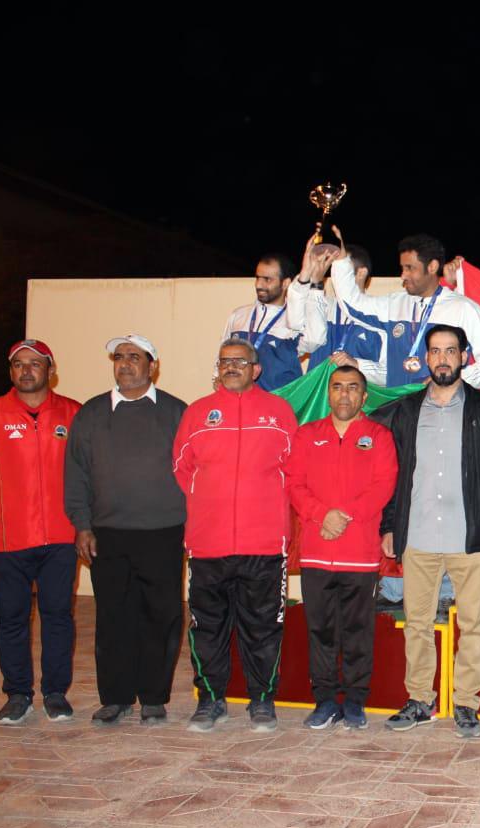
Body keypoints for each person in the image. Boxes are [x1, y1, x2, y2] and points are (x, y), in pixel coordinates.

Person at [372, 324, 480, 738]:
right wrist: (389, 525)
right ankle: (420, 699)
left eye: (451, 350)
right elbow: (394, 474)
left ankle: (467, 703)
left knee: (474, 623)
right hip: (417, 535)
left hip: (471, 537)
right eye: (435, 351)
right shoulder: (407, 410)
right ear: (426, 358)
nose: (442, 358)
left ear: (464, 357)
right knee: (416, 623)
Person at [172, 338, 298, 732]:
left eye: (240, 362)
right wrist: (212, 504)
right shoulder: (197, 413)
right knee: (206, 627)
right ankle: (210, 699)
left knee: (263, 627)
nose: (231, 367)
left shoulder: (279, 412)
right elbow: (182, 469)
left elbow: (294, 470)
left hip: (265, 543)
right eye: (224, 361)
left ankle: (262, 700)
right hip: (208, 544)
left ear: (256, 369)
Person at [64, 334, 188, 726]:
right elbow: (76, 473)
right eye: (119, 356)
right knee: (113, 616)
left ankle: (153, 696)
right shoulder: (91, 413)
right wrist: (82, 525)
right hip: (108, 533)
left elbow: (194, 472)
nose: (126, 363)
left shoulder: (176, 412)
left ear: (153, 365)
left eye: (135, 356)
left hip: (164, 531)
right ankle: (116, 697)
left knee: (161, 615)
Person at [0, 340, 82, 724]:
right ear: (11, 371)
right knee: (11, 618)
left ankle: (55, 693)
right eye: (19, 364)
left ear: (50, 370)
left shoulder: (73, 413)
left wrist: (86, 525)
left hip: (60, 538)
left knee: (58, 616)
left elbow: (88, 475)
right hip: (7, 538)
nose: (26, 371)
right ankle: (17, 694)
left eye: (35, 364)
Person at [286, 364, 398, 731]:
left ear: (364, 396)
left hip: (360, 553)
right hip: (317, 551)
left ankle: (353, 700)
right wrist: (322, 515)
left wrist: (344, 516)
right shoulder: (307, 435)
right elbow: (294, 483)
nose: (344, 394)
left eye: (352, 387)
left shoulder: (379, 437)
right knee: (320, 630)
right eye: (337, 387)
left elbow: (384, 485)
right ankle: (324, 700)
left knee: (357, 631)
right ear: (329, 393)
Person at [332, 232, 480, 389]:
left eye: (410, 268)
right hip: (399, 406)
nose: (403, 275)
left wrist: (450, 381)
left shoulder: (462, 308)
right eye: (402, 268)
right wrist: (340, 261)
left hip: (441, 406)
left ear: (432, 267)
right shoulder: (394, 304)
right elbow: (352, 305)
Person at [284, 234, 383, 372]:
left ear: (361, 273)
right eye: (334, 268)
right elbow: (294, 327)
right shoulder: (320, 303)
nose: (335, 274)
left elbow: (387, 372)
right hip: (319, 386)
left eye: (342, 268)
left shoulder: (379, 314)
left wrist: (358, 364)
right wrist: (306, 274)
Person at [222, 253, 310, 391]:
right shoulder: (239, 315)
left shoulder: (295, 321)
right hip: (239, 399)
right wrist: (217, 377)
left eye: (267, 279)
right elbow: (222, 354)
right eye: (257, 278)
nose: (259, 285)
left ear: (285, 283)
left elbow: (314, 342)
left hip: (279, 400)